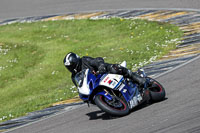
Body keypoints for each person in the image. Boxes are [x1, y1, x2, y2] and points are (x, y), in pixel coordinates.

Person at [63, 52, 146, 88]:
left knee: (115, 69)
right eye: (68, 67)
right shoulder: (74, 76)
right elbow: (80, 87)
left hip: (104, 73)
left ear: (76, 61)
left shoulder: (85, 60)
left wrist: (101, 66)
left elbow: (97, 60)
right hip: (96, 84)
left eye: (71, 66)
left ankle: (138, 78)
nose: (70, 68)